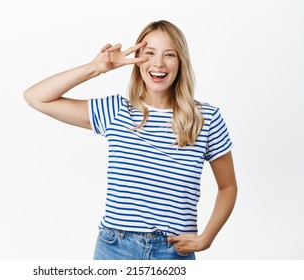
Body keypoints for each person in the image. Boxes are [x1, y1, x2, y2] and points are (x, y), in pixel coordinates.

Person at [23, 20, 237, 260]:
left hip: (173, 252)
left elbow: (227, 187)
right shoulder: (116, 111)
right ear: (138, 60)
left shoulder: (206, 119)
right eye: (150, 53)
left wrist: (207, 237)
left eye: (169, 55)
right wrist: (95, 68)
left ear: (181, 62)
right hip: (115, 248)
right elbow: (35, 97)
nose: (158, 63)